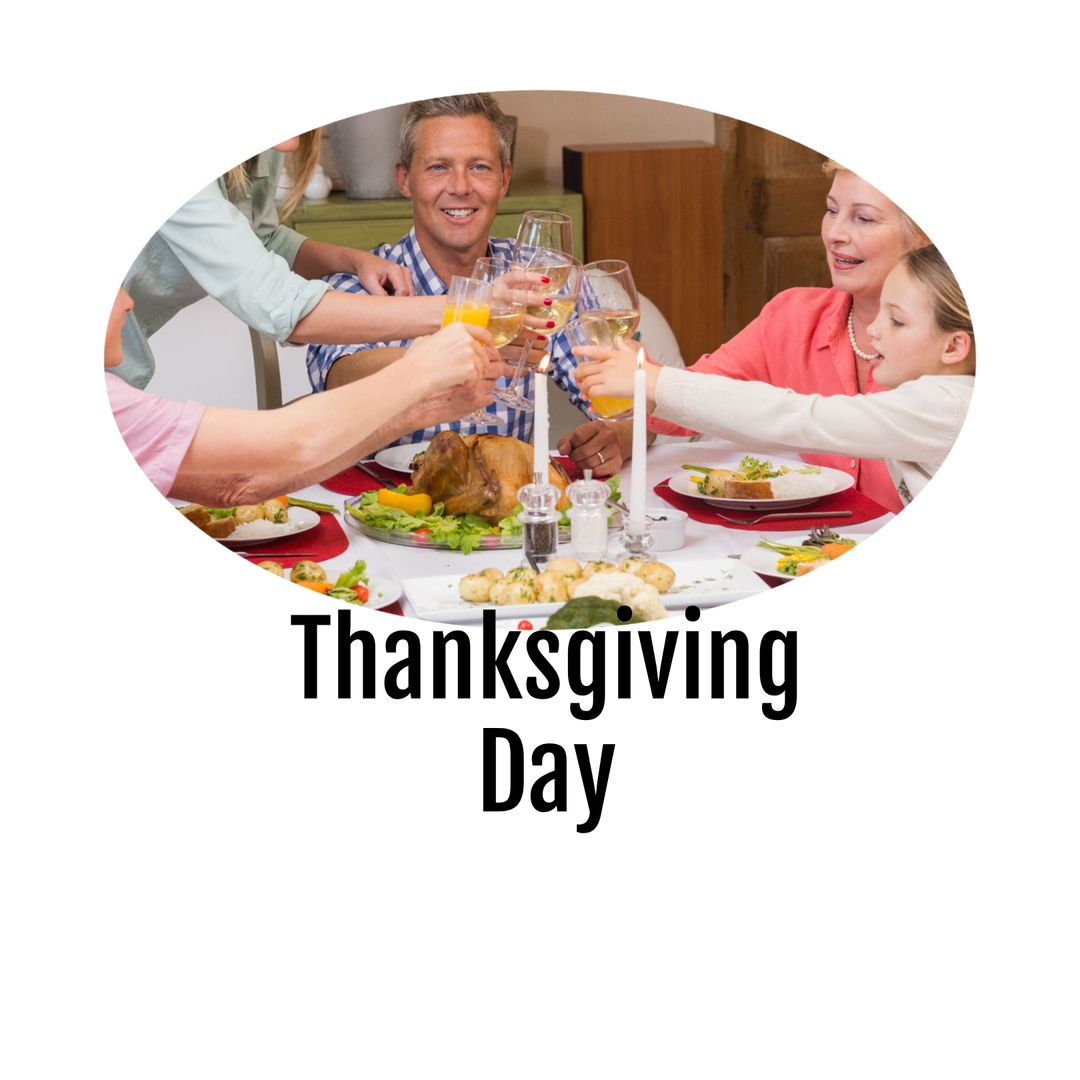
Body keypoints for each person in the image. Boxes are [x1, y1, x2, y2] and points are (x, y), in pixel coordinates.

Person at [305, 94, 630, 476]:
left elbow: (629, 398)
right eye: (439, 167)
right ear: (405, 179)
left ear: (504, 178)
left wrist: (618, 435)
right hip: (380, 512)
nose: (460, 187)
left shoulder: (541, 277)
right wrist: (457, 355)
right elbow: (340, 378)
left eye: (479, 167)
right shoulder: (363, 284)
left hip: (505, 519)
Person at [576, 245, 974, 505]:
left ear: (954, 347)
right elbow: (765, 426)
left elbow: (801, 419)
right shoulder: (932, 396)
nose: (875, 330)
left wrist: (656, 381)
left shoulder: (945, 406)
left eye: (897, 321)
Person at [645, 162, 929, 513]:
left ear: (925, 237)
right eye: (831, 211)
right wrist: (630, 412)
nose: (834, 233)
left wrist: (649, 383)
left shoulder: (953, 350)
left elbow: (794, 417)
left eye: (864, 219)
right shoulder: (792, 317)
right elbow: (693, 399)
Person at [115, 130, 447, 390]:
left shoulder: (268, 150)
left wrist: (353, 261)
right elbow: (278, 301)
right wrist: (465, 310)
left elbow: (262, 237)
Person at [105, 289, 504, 505]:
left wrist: (415, 412)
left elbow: (238, 482)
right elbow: (297, 438)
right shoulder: (114, 405)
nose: (128, 301)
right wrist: (420, 369)